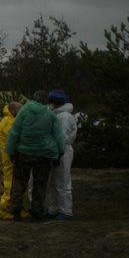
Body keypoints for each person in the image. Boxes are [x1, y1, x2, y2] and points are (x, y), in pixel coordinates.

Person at [5, 90, 65, 221]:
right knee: (40, 184)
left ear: (33, 98)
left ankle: (16, 212)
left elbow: (14, 132)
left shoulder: (24, 111)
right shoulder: (50, 114)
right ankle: (37, 212)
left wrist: (10, 151)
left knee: (19, 183)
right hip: (44, 154)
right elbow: (58, 135)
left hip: (24, 153)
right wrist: (60, 152)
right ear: (46, 101)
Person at [44, 90, 77, 220]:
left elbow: (62, 137)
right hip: (55, 151)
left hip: (62, 151)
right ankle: (53, 209)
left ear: (54, 102)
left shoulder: (64, 116)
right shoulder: (56, 114)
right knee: (52, 182)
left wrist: (58, 154)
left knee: (63, 181)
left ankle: (66, 210)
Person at [0, 101, 29, 219]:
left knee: (18, 183)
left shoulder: (11, 120)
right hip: (10, 158)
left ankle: (18, 208)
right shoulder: (7, 122)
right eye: (20, 111)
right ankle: (4, 210)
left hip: (14, 156)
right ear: (13, 110)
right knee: (10, 184)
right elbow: (14, 138)